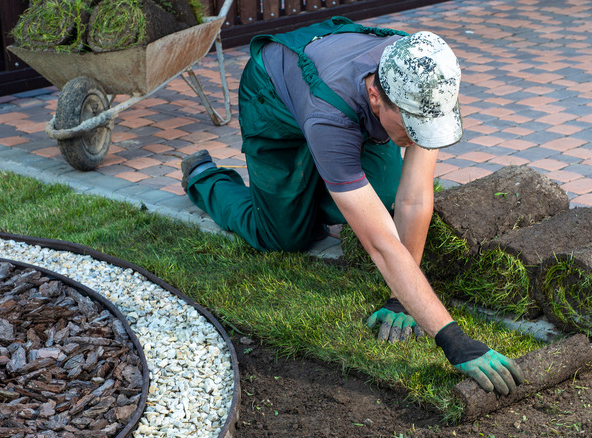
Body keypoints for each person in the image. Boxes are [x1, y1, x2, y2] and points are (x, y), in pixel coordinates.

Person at [181, 17, 524, 395]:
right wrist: (453, 340)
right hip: (274, 94)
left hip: (336, 93)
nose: (417, 138)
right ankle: (204, 178)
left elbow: (413, 197)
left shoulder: (424, 75)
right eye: (410, 127)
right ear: (376, 96)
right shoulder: (328, 113)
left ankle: (323, 177)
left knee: (384, 195)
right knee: (281, 235)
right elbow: (380, 244)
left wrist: (401, 300)